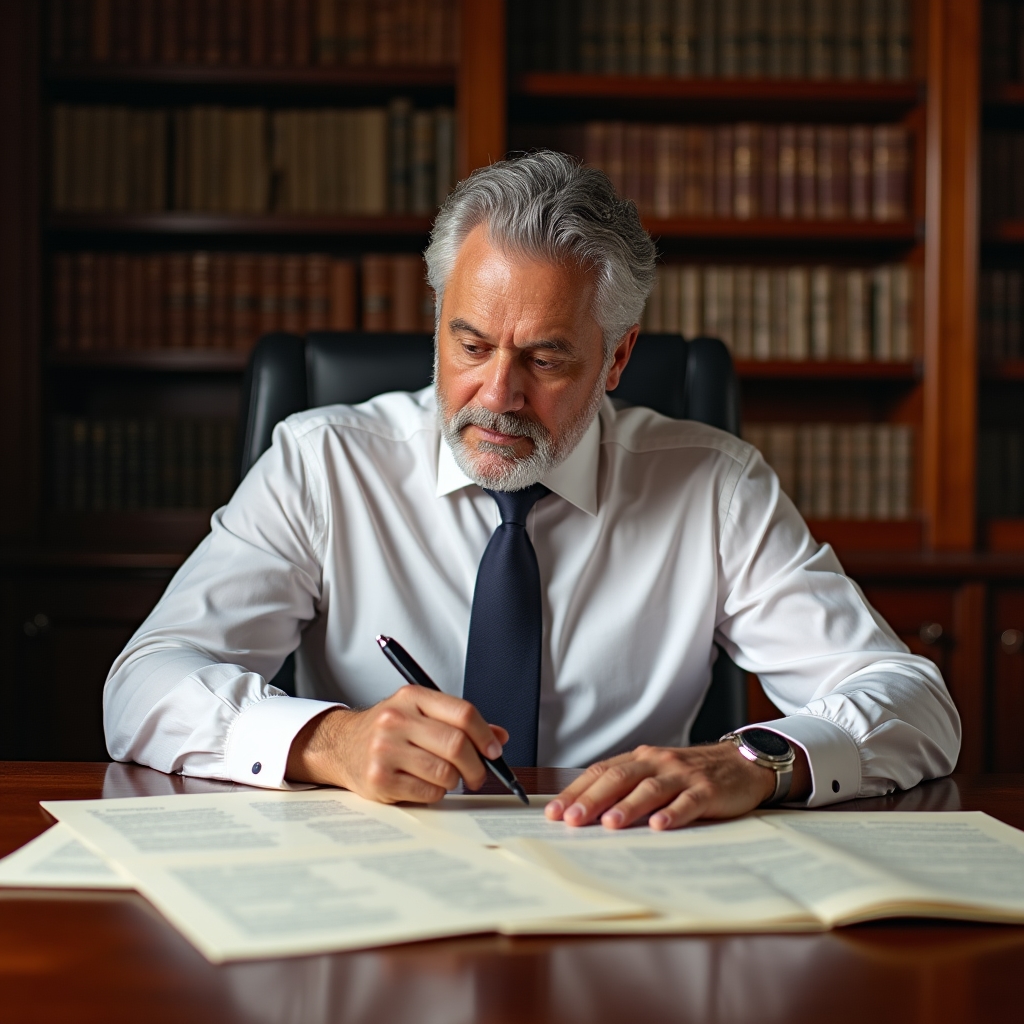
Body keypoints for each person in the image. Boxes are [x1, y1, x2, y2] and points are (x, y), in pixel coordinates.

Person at [104, 151, 960, 831]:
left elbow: (914, 701)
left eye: (545, 359)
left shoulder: (714, 485)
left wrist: (757, 761)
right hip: (373, 869)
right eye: (470, 345)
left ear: (617, 360)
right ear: (436, 321)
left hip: (627, 875)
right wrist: (330, 738)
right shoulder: (322, 463)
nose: (498, 397)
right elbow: (143, 686)